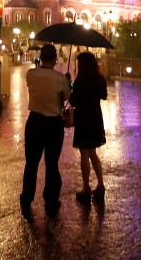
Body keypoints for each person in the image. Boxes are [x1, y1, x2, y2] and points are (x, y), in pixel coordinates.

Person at [21, 43, 71, 213]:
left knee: (31, 163)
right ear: (55, 59)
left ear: (41, 57)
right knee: (51, 163)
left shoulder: (31, 74)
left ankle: (26, 197)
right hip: (53, 124)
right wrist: (68, 81)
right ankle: (50, 198)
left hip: (34, 122)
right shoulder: (60, 78)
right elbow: (67, 97)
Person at [70, 51, 108, 201]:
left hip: (83, 118)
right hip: (96, 117)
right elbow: (103, 96)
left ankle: (86, 187)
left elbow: (73, 101)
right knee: (93, 153)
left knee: (85, 154)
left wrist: (71, 85)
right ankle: (100, 185)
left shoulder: (80, 80)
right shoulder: (99, 79)